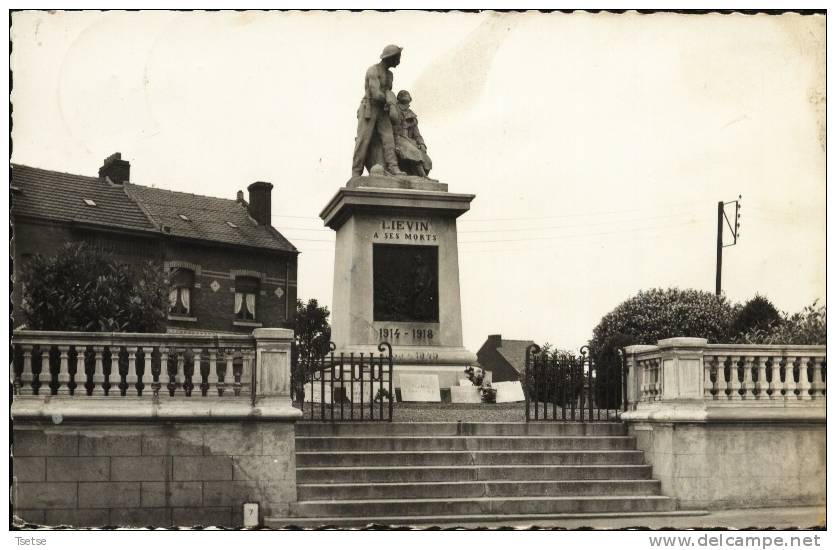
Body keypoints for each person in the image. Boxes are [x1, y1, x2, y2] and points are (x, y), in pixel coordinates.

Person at [351, 45, 405, 177]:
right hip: (369, 108)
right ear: (390, 58)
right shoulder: (373, 71)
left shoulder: (390, 75)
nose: (398, 62)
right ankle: (356, 172)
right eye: (397, 58)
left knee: (388, 139)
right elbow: (375, 93)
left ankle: (393, 167)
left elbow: (387, 92)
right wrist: (390, 99)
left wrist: (389, 101)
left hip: (383, 109)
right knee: (363, 140)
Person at [390, 90, 433, 177]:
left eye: (407, 100)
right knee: (414, 153)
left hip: (410, 140)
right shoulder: (394, 110)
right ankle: (423, 176)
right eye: (403, 100)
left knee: (427, 160)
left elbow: (417, 134)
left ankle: (421, 176)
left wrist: (422, 143)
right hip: (397, 138)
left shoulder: (411, 115)